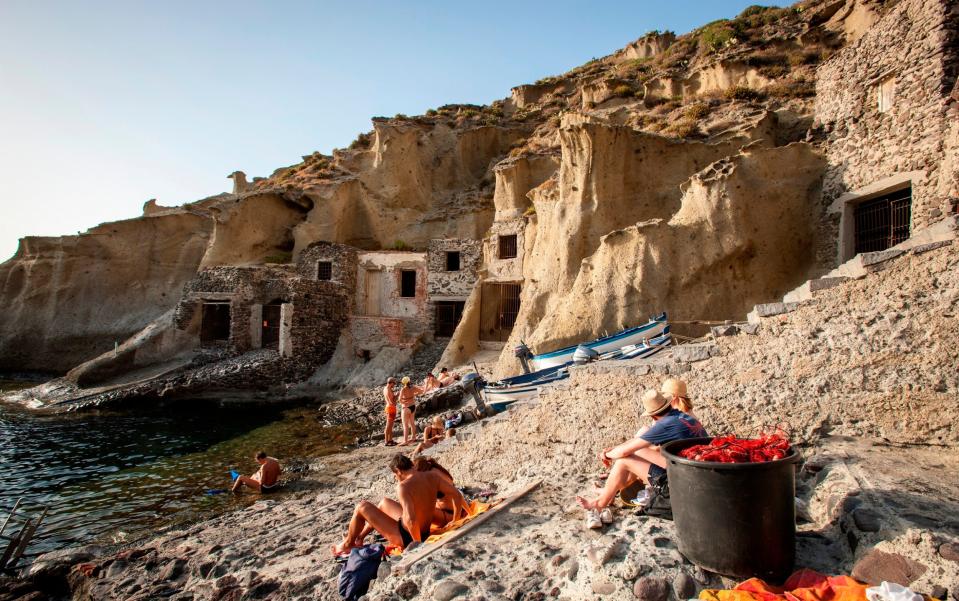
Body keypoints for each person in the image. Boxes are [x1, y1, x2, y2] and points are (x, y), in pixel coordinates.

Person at [576, 389, 707, 528]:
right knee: (634, 453)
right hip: (695, 475)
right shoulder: (682, 417)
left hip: (682, 483)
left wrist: (606, 455)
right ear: (668, 405)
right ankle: (610, 492)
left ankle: (599, 504)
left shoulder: (665, 425)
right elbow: (637, 446)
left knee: (624, 460)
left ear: (653, 416)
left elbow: (626, 451)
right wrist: (615, 450)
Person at [331, 454, 468, 555]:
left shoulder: (403, 486)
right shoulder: (432, 477)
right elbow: (456, 494)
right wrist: (455, 521)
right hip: (422, 531)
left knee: (362, 506)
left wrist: (417, 545)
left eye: (395, 475)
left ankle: (347, 545)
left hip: (406, 536)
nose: (396, 478)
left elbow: (410, 519)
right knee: (384, 502)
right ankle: (359, 538)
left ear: (398, 471)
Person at [398, 377, 424, 445]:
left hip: (406, 408)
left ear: (403, 383)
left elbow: (400, 400)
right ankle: (413, 437)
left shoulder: (403, 389)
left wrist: (405, 402)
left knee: (405, 425)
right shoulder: (413, 387)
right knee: (412, 423)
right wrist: (414, 395)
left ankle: (405, 441)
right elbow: (421, 391)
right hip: (413, 406)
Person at [383, 377, 399, 446]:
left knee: (390, 426)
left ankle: (390, 440)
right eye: (394, 383)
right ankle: (386, 441)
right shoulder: (388, 391)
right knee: (388, 426)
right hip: (391, 408)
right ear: (391, 383)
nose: (394, 385)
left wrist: (395, 395)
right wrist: (397, 395)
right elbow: (392, 402)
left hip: (389, 408)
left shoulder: (386, 388)